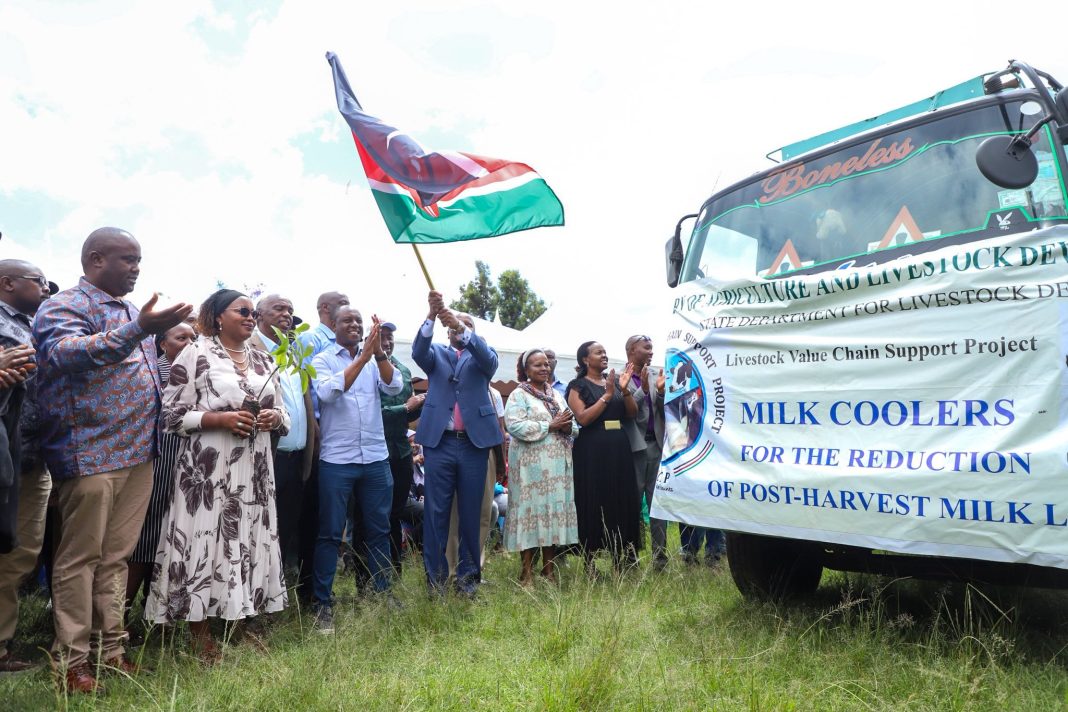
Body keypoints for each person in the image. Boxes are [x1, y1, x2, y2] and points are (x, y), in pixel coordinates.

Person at [33, 227, 193, 692]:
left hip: (139, 452)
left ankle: (112, 651)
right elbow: (64, 356)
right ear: (95, 259)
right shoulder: (65, 306)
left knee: (116, 558)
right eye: (126, 259)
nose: (136, 268)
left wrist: (141, 325)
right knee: (80, 559)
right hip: (91, 453)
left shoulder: (128, 310)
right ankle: (71, 661)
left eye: (139, 259)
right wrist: (142, 327)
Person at [144, 289, 289, 663]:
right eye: (242, 310)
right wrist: (218, 419)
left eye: (253, 312)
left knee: (246, 539)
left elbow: (283, 412)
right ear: (217, 316)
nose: (250, 316)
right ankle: (199, 634)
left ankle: (239, 623)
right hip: (208, 470)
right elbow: (170, 416)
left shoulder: (262, 356)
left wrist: (276, 419)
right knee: (205, 540)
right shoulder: (197, 353)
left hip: (254, 469)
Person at [309, 306, 401, 632]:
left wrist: (377, 356)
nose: (355, 325)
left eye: (359, 321)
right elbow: (329, 393)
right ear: (333, 325)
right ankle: (322, 603)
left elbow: (394, 387)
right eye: (347, 320)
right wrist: (362, 358)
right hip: (337, 460)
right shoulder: (322, 360)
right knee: (331, 533)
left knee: (379, 530)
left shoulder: (376, 361)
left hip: (375, 457)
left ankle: (382, 594)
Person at [413, 291, 502, 596]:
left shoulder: (482, 355)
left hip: (473, 445)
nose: (456, 329)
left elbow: (489, 363)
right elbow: (418, 352)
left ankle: (468, 580)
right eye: (451, 326)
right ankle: (436, 582)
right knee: (436, 512)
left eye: (463, 326)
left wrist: (462, 327)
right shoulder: (436, 353)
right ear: (445, 330)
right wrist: (431, 314)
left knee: (472, 512)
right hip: (440, 443)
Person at [125, 321, 196, 634]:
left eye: (194, 338)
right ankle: (118, 618)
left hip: (190, 466)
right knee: (146, 537)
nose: (189, 343)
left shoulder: (198, 372)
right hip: (158, 462)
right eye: (181, 337)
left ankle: (157, 614)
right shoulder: (154, 371)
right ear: (162, 343)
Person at [0, 260, 52, 672]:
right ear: (8, 283)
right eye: (40, 282)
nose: (48, 289)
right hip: (5, 451)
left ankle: (1, 642)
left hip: (34, 457)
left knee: (20, 551)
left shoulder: (39, 326)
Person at [251, 294, 316, 579]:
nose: (287, 314)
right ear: (258, 316)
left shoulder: (292, 353)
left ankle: (275, 589)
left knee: (285, 527)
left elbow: (304, 404)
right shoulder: (247, 349)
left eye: (290, 309)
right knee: (259, 528)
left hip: (296, 457)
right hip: (267, 456)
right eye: (279, 308)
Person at [504, 350, 579, 585]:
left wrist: (567, 428)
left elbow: (573, 424)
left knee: (551, 516)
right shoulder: (519, 395)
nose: (544, 368)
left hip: (557, 468)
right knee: (531, 514)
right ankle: (526, 573)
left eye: (546, 364)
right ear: (526, 370)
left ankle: (548, 571)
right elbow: (514, 426)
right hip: (530, 468)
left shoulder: (556, 394)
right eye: (537, 365)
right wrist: (551, 425)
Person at [566, 341, 640, 575]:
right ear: (586, 360)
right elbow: (583, 418)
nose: (604, 355)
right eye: (599, 353)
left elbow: (631, 413)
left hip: (618, 446)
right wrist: (608, 395)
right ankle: (590, 561)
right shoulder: (577, 386)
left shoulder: (616, 382)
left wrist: (625, 390)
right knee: (593, 499)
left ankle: (623, 558)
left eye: (606, 352)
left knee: (622, 498)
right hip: (592, 449)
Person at [294, 290, 348, 602]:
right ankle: (308, 590)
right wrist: (313, 428)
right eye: (343, 300)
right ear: (325, 308)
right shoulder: (311, 340)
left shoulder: (348, 342)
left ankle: (323, 584)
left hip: (343, 440)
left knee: (333, 515)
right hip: (319, 436)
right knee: (314, 515)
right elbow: (301, 387)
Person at [445, 384, 505, 580]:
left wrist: (501, 461)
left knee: (484, 512)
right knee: (455, 513)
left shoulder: (492, 392)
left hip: (485, 452)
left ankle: (473, 570)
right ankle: (452, 571)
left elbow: (499, 427)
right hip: (454, 447)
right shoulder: (450, 387)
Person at [378, 322, 423, 574]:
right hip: (376, 452)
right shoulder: (367, 369)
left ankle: (395, 569)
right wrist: (406, 407)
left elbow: (409, 416)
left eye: (390, 337)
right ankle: (370, 568)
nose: (387, 342)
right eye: (382, 337)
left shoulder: (404, 370)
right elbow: (374, 414)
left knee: (396, 512)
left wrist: (419, 405)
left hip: (402, 452)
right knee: (375, 515)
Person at [620, 335, 668, 570]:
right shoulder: (620, 377)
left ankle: (660, 559)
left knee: (657, 505)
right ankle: (630, 558)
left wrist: (659, 393)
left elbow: (661, 409)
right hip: (633, 449)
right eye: (646, 347)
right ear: (631, 350)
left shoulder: (655, 374)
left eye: (652, 347)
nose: (651, 351)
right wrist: (642, 390)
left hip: (656, 447)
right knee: (631, 506)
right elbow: (626, 411)